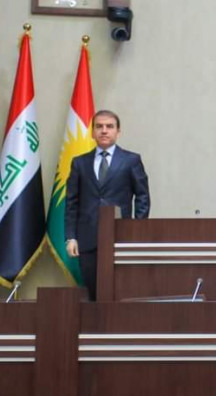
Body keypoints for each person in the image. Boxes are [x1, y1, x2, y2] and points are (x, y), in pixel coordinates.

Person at [65, 110, 150, 300]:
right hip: (87, 240)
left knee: (119, 292)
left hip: (120, 237)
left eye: (109, 127)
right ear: (92, 132)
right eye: (99, 126)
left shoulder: (131, 160)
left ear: (118, 132)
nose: (104, 131)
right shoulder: (79, 163)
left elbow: (142, 197)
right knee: (93, 294)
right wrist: (71, 237)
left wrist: (136, 230)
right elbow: (71, 202)